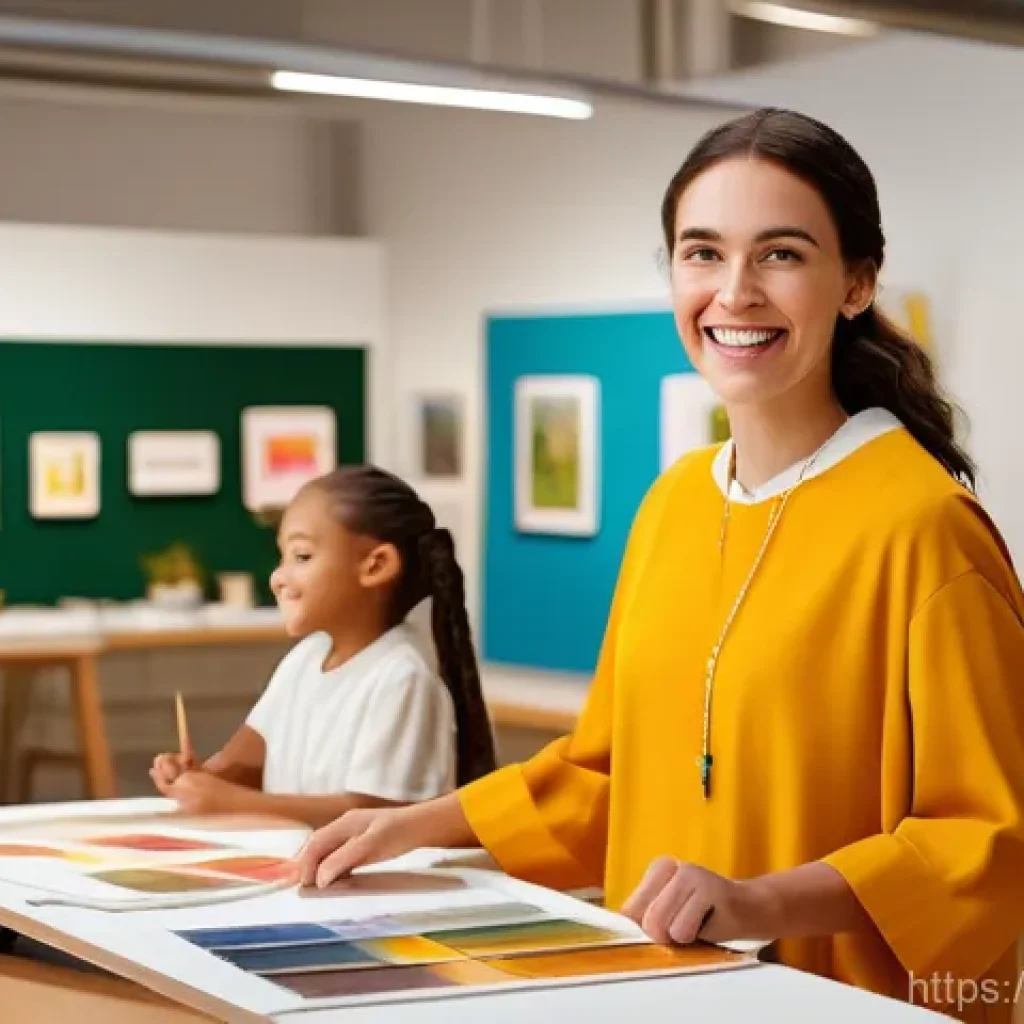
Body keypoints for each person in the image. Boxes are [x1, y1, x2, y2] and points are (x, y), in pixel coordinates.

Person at [295, 109, 1024, 1021]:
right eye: (703, 253)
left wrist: (760, 901)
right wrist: (414, 826)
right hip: (668, 991)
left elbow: (988, 841)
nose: (736, 292)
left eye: (782, 254)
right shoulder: (674, 501)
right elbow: (608, 774)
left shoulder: (927, 527)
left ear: (856, 283)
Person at [150, 465, 497, 829]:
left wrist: (230, 802)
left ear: (376, 566)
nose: (278, 578)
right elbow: (240, 766)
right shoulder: (305, 660)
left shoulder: (401, 677)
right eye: (282, 557)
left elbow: (375, 817)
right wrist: (197, 777)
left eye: (301, 557)